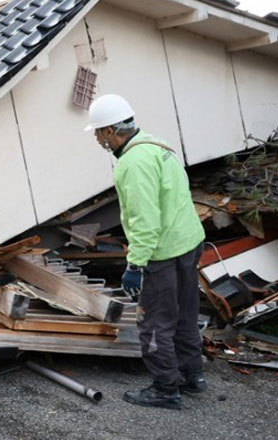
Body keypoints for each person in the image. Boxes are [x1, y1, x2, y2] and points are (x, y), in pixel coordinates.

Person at [85, 94, 207, 410]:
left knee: (153, 324)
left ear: (111, 130)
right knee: (185, 314)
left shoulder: (133, 163)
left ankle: (166, 389)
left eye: (98, 133)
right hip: (188, 243)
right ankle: (192, 376)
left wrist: (135, 264)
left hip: (163, 253)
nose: (97, 140)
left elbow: (145, 220)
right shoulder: (157, 146)